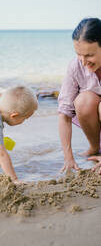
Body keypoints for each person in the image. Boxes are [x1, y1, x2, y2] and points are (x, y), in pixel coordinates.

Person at [58, 17, 101, 173]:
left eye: (89, 55)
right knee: (83, 100)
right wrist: (68, 157)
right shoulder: (75, 66)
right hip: (93, 120)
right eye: (79, 54)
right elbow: (64, 114)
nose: (83, 61)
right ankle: (95, 148)